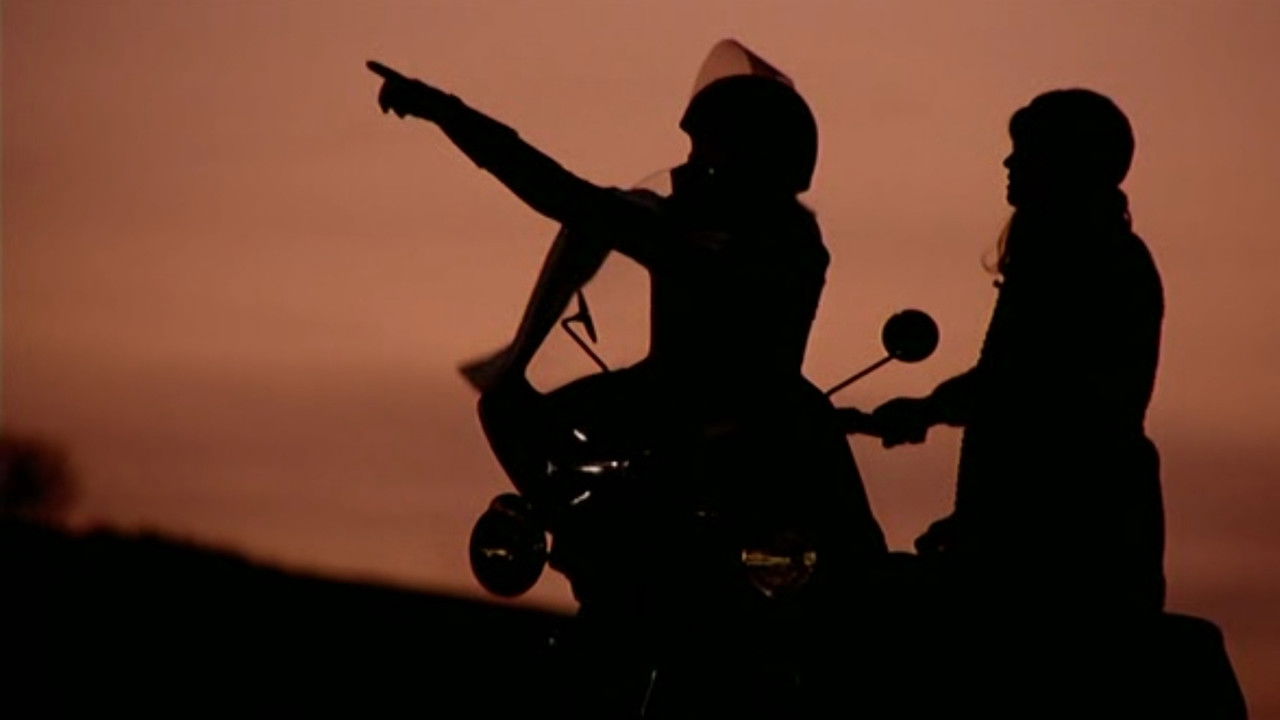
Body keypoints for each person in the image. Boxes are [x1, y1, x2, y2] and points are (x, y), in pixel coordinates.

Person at [369, 41, 886, 716]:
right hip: (665, 409)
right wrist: (448, 114)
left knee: (855, 587)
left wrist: (447, 113)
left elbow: (566, 196)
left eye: (716, 147)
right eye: (700, 147)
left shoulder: (777, 241)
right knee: (509, 409)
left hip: (766, 432)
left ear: (758, 154)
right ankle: (583, 542)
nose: (698, 162)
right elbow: (563, 194)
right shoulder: (677, 223)